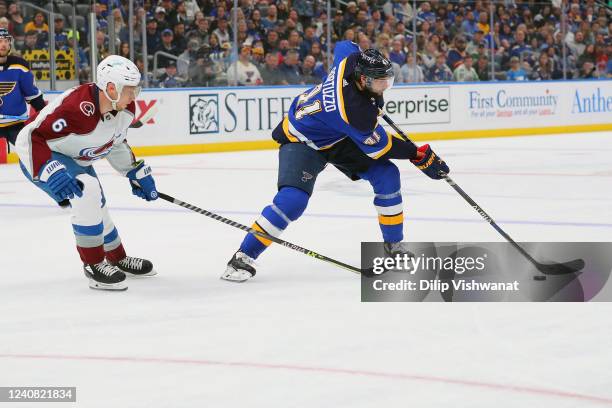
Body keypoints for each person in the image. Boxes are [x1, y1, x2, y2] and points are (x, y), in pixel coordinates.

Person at [221, 43, 449, 282]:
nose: (384, 87)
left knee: (387, 175)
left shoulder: (350, 60)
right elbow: (384, 146)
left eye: (386, 80)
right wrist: (417, 154)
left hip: (335, 135)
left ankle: (394, 246)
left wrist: (367, 61)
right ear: (362, 80)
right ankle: (243, 256)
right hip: (303, 140)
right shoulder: (354, 112)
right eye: (379, 82)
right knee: (293, 200)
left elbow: (344, 45)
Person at [14, 55, 158, 291]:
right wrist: (49, 169)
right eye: (130, 90)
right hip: (43, 157)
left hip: (76, 159)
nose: (135, 96)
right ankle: (93, 264)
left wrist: (136, 172)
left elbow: (115, 142)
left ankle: (117, 257)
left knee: (97, 203)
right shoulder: (74, 105)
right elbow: (29, 137)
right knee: (87, 192)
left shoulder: (126, 109)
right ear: (111, 88)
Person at [0, 29, 45, 152]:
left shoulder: (20, 66)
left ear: (10, 44)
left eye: (6, 41)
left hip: (16, 123)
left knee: (33, 153)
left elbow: (31, 94)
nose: (3, 44)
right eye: (0, 41)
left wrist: (44, 112)